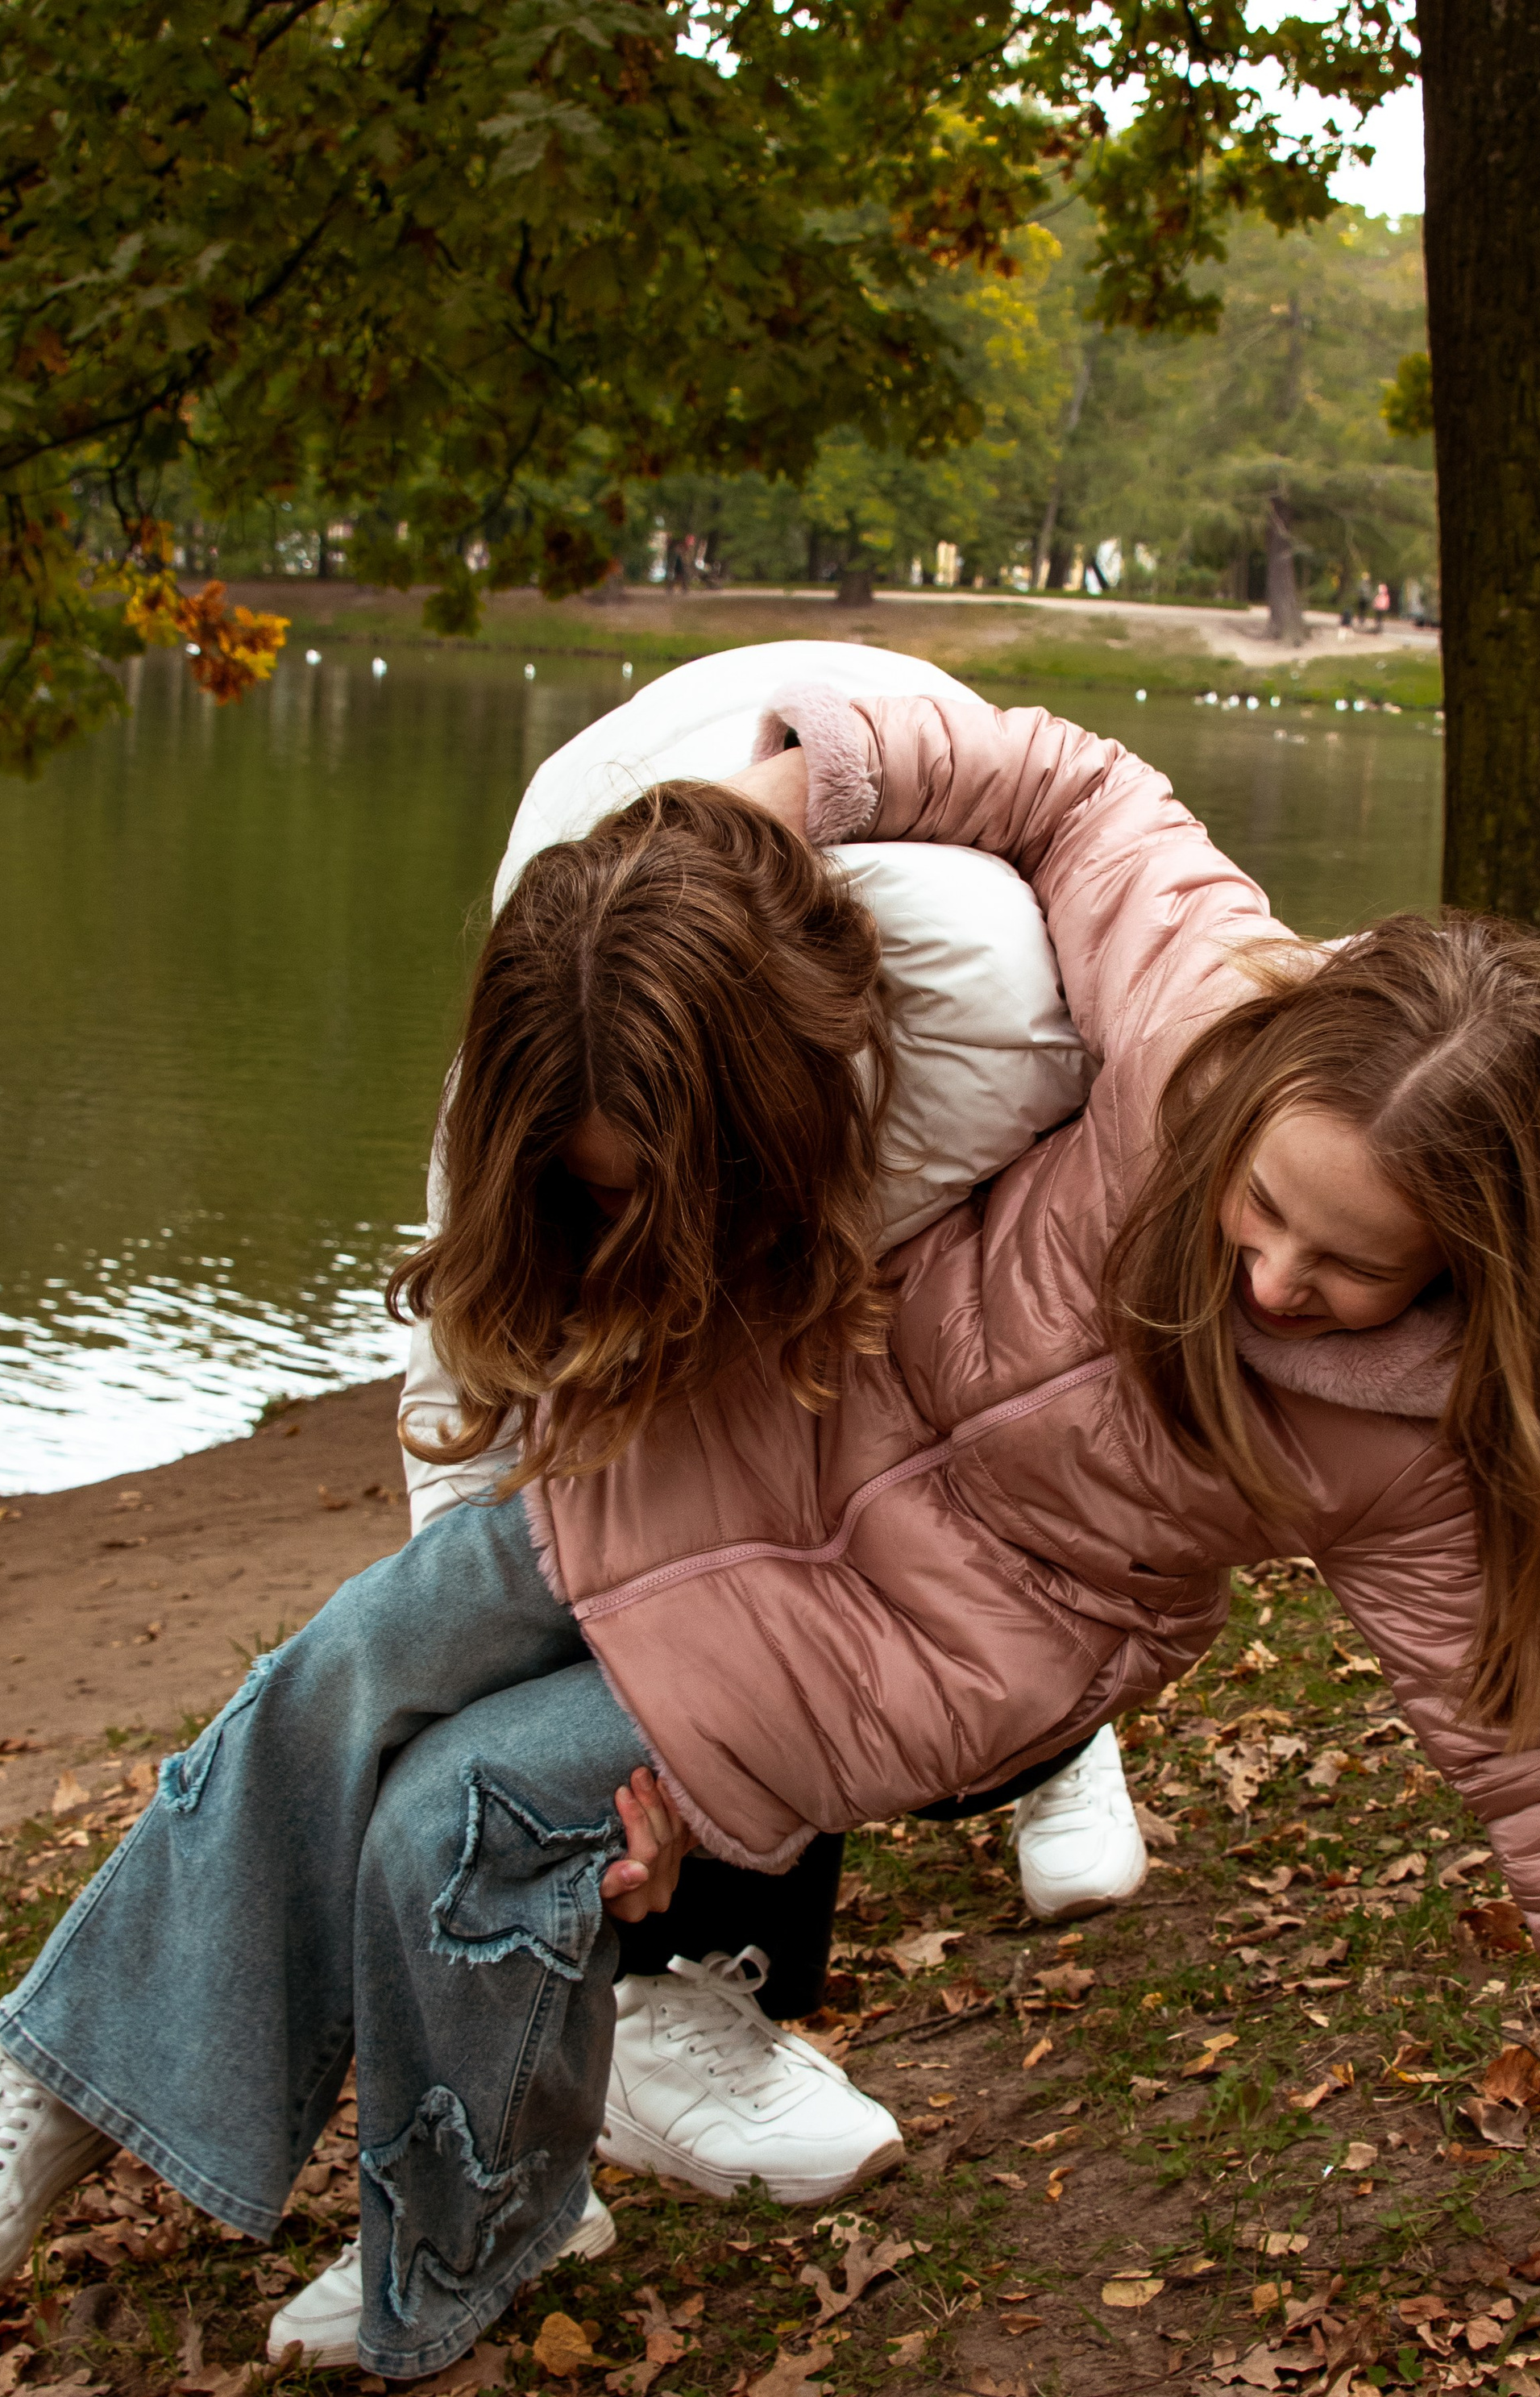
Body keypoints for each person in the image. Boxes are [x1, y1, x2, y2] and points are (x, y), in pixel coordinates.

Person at [0, 693, 1540, 2375]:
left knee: (466, 1814)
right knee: (363, 1654)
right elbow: (1070, 780)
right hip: (778, 1420)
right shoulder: (1204, 1016)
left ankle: (478, 2230)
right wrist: (800, 783)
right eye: (1257, 1208)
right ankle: (74, 2091)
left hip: (942, 1642)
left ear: (1473, 1262)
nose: (1270, 1277)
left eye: (1345, 1268)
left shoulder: (1437, 1452)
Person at [401, 644, 1148, 2218]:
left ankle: (1054, 1743)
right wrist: (494, 1670)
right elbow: (465, 1390)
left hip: (926, 1083)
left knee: (922, 1404)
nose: (641, 1225)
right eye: (600, 1189)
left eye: (661, 1186)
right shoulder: (538, 1042)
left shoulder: (1008, 1037)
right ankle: (671, 2006)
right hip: (673, 872)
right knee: (654, 1475)